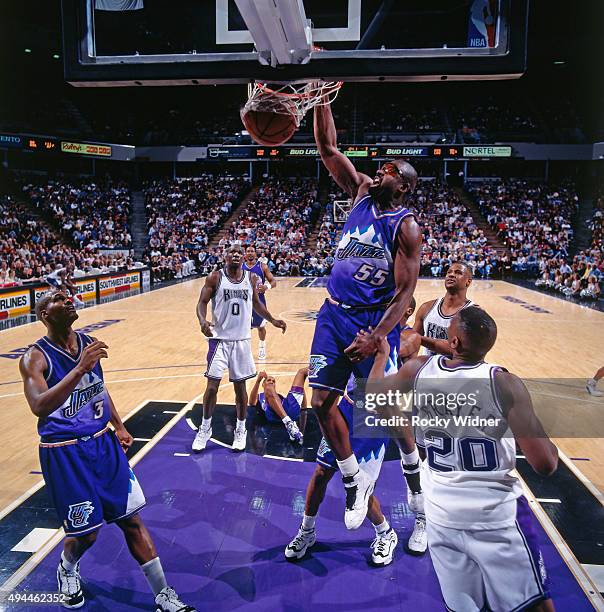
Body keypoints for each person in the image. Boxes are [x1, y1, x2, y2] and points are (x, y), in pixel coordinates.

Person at [368, 306, 557, 611]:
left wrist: (380, 357)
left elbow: (375, 400)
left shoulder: (417, 371)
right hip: (496, 519)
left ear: (453, 343)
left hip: (442, 516)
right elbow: (545, 465)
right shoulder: (504, 383)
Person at [19, 291, 194, 612]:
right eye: (59, 298)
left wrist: (120, 425)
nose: (69, 299)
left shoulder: (89, 343)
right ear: (44, 314)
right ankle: (67, 567)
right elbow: (39, 405)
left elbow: (98, 388)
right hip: (65, 453)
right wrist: (79, 368)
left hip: (103, 445)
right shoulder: (35, 357)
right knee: (87, 534)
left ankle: (163, 595)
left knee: (131, 520)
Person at [309, 97, 421, 530]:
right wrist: (320, 97)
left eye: (391, 170)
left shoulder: (405, 226)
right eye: (383, 167)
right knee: (320, 401)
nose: (381, 171)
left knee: (382, 410)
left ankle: (413, 475)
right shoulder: (359, 192)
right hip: (332, 314)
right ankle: (353, 477)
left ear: (404, 187)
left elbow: (404, 291)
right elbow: (327, 148)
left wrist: (376, 336)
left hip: (371, 323)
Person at [286, 300, 426, 564]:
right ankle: (307, 530)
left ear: (404, 311)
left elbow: (393, 361)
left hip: (374, 418)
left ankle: (386, 533)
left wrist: (379, 347)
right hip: (348, 409)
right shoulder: (363, 327)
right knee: (321, 472)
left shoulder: (407, 337)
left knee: (364, 487)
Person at [192, 245, 286, 452]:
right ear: (225, 256)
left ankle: (240, 429)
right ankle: (205, 428)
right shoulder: (215, 277)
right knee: (211, 387)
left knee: (240, 388)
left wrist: (272, 320)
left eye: (238, 252)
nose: (235, 254)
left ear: (243, 257)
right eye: (231, 252)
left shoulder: (251, 279)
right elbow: (202, 302)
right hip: (219, 340)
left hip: (242, 340)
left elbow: (256, 304)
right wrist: (202, 321)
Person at [413, 262, 475, 356]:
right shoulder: (426, 308)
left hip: (456, 370)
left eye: (458, 273)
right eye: (449, 272)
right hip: (429, 368)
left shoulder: (474, 314)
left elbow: (469, 353)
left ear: (468, 282)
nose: (451, 275)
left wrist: (423, 340)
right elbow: (412, 343)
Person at [248, 368, 308, 444]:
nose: (271, 382)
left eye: (273, 381)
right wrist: (258, 381)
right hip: (273, 415)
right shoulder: (260, 396)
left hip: (289, 410)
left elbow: (304, 407)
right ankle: (289, 423)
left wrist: (301, 389)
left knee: (302, 372)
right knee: (269, 389)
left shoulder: (280, 397)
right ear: (263, 384)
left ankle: (324, 375)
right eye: (268, 380)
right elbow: (251, 403)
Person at [243, 245, 277, 361]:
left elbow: (273, 281)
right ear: (245, 254)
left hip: (259, 301)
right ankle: (245, 350)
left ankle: (262, 346)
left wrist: (266, 286)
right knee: (243, 327)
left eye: (252, 251)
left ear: (255, 254)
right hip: (244, 301)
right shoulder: (239, 267)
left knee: (261, 326)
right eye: (248, 251)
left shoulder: (262, 267)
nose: (250, 253)